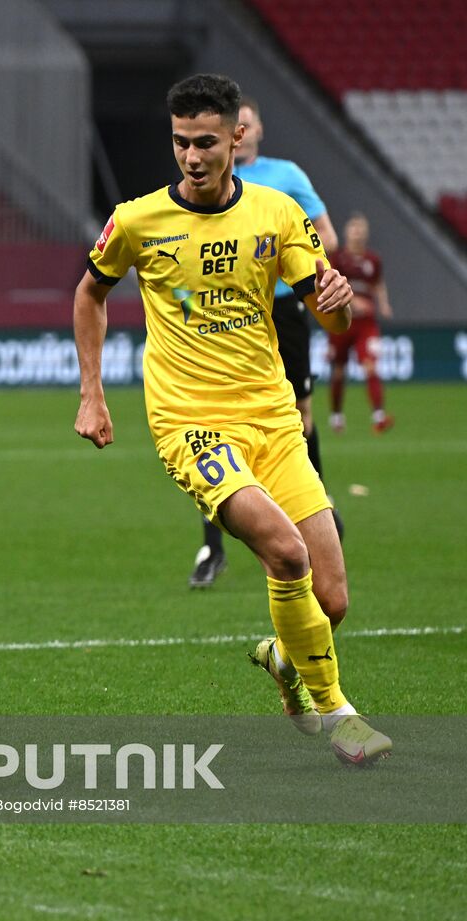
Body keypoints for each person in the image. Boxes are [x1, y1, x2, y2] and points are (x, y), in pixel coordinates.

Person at [73, 74, 390, 765]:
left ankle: (286, 654)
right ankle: (341, 716)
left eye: (206, 142)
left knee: (330, 600)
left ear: (235, 137)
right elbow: (90, 292)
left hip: (274, 421)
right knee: (285, 551)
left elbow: (328, 316)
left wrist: (334, 298)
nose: (192, 155)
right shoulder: (136, 220)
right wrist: (91, 390)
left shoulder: (277, 213)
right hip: (191, 423)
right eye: (182, 141)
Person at [187, 95, 341, 589]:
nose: (244, 132)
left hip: (283, 306)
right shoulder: (205, 186)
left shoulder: (286, 177)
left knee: (298, 415)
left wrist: (296, 266)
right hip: (227, 311)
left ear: (254, 131)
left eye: (249, 124)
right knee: (218, 427)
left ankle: (312, 507)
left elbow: (327, 239)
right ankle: (213, 545)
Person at [328, 213, 394, 434]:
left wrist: (383, 304)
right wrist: (353, 301)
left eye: (361, 229)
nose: (357, 233)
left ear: (365, 234)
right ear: (347, 232)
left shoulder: (372, 260)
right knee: (338, 371)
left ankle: (379, 416)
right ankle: (336, 415)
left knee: (370, 366)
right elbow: (330, 285)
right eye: (354, 228)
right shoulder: (338, 259)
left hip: (366, 324)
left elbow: (378, 284)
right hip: (342, 322)